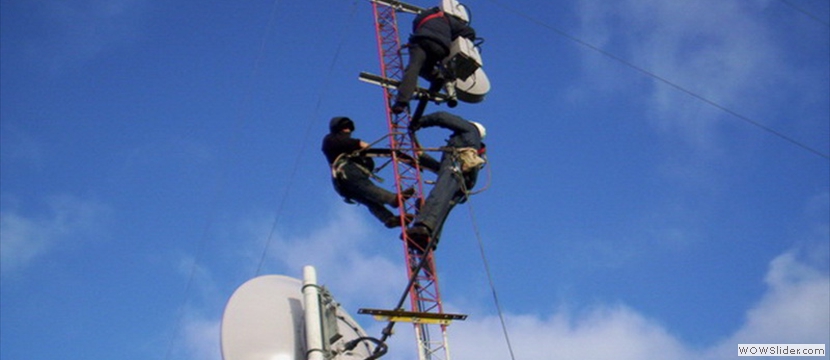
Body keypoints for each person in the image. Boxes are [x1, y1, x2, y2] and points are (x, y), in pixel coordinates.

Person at [405, 111, 486, 250]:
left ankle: (423, 225)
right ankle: (430, 238)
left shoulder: (469, 129)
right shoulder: (476, 149)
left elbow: (442, 117)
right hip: (462, 183)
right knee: (443, 206)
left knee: (439, 195)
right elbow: (441, 169)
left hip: (455, 168)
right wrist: (423, 157)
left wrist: (420, 122)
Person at [322, 116, 414, 228]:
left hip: (342, 185)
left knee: (370, 200)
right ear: (339, 129)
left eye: (349, 128)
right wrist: (360, 145)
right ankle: (393, 199)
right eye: (345, 128)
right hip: (346, 173)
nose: (348, 131)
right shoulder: (331, 140)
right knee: (367, 188)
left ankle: (388, 218)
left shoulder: (337, 145)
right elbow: (362, 145)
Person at [392, 6, 476, 114]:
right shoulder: (448, 19)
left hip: (421, 41)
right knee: (429, 67)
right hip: (440, 47)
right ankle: (438, 79)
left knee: (414, 68)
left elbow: (416, 27)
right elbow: (470, 33)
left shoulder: (422, 17)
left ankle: (401, 102)